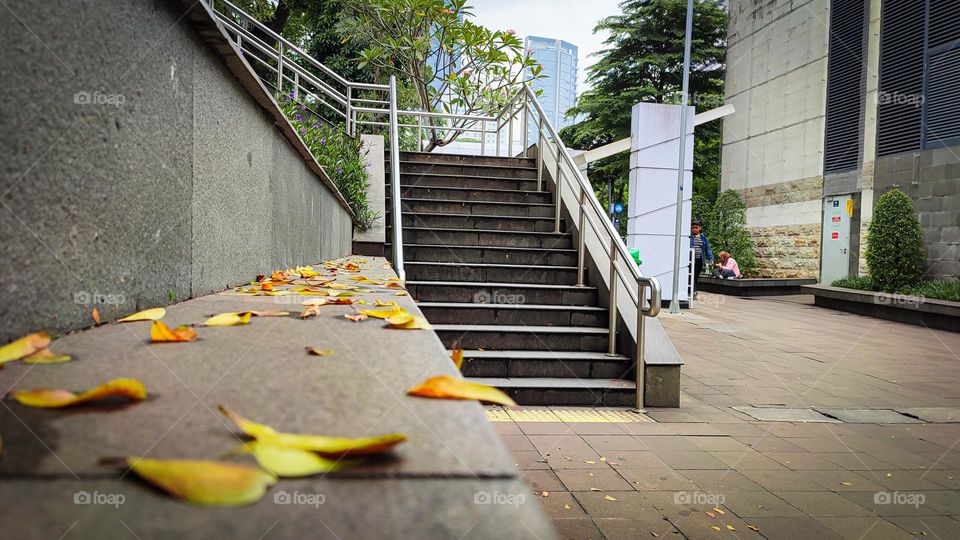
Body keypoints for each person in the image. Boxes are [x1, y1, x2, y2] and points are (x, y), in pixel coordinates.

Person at [689, 220, 714, 298]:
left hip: (699, 259)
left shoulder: (703, 237)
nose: (694, 229)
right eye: (692, 228)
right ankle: (690, 290)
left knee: (696, 275)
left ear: (700, 228)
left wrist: (711, 258)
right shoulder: (689, 236)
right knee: (689, 275)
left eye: (696, 228)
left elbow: (707, 248)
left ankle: (693, 290)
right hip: (690, 259)